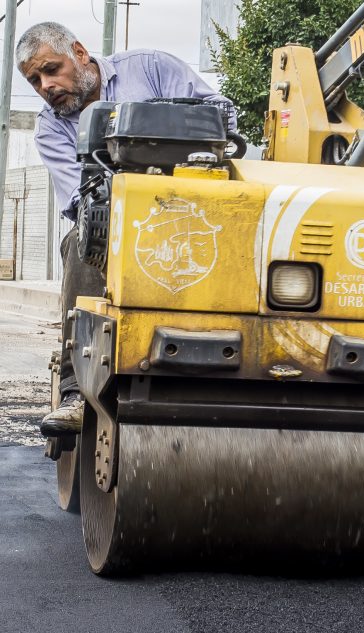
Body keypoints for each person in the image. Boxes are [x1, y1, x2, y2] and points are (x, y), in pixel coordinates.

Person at [16, 22, 237, 437]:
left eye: (51, 69)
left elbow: (221, 111)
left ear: (80, 53)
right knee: (83, 238)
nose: (46, 85)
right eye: (35, 80)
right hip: (117, 225)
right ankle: (74, 391)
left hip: (200, 212)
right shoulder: (51, 128)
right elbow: (77, 200)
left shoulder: (151, 70)